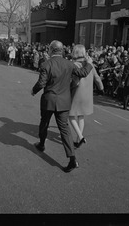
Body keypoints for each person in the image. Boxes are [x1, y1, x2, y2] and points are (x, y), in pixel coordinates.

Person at [31, 40, 93, 173]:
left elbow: (41, 83)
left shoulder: (46, 64)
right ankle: (72, 159)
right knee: (64, 130)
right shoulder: (69, 64)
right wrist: (89, 63)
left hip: (49, 100)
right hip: (64, 101)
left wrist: (33, 91)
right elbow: (83, 73)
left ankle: (41, 144)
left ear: (52, 50)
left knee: (44, 123)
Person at [68, 45, 104, 148]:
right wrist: (101, 88)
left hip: (76, 93)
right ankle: (77, 140)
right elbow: (97, 78)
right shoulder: (90, 64)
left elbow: (72, 81)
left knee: (70, 116)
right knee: (81, 116)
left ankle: (80, 136)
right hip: (87, 94)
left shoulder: (73, 64)